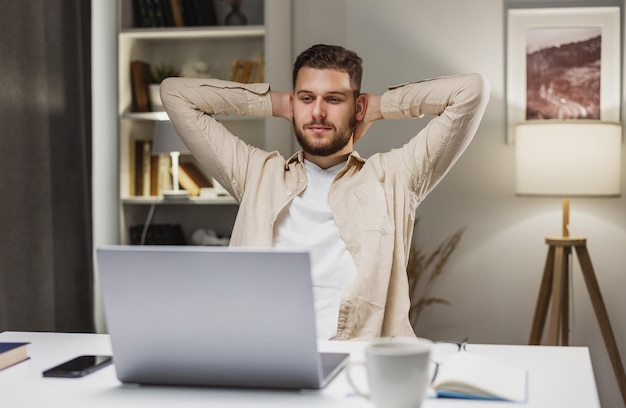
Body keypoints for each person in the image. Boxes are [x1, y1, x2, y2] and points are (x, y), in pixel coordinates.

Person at [160, 44, 489, 340]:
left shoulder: (395, 178)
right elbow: (175, 94)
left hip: (360, 365)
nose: (317, 112)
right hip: (266, 354)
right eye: (307, 98)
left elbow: (470, 91)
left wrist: (379, 106)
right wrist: (277, 103)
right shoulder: (254, 174)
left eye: (333, 99)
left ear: (356, 106)